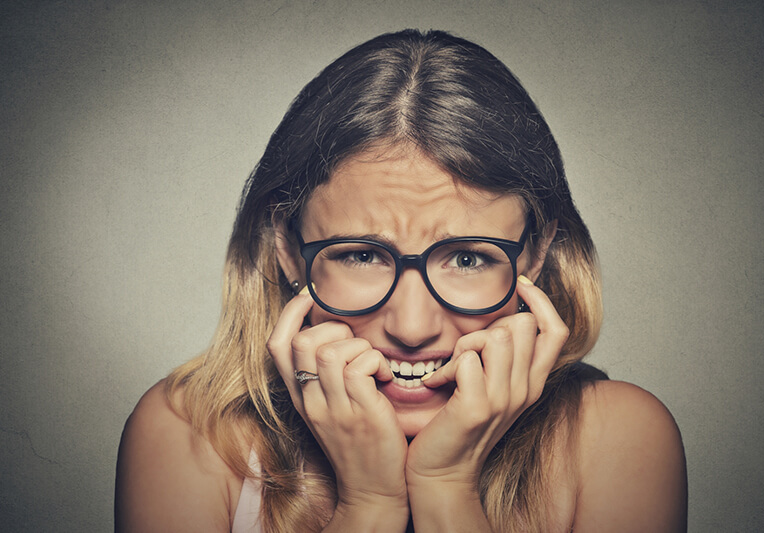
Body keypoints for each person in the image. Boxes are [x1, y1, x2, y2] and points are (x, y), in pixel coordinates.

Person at [115, 29, 687, 532]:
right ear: (287, 250)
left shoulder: (620, 439)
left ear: (535, 254)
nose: (412, 328)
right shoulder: (188, 433)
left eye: (467, 259)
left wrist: (445, 487)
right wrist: (369, 505)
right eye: (362, 256)